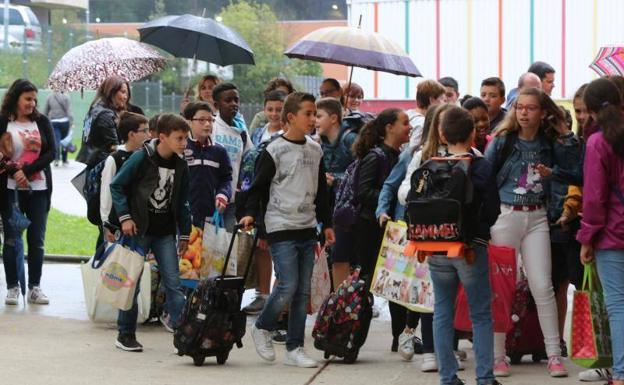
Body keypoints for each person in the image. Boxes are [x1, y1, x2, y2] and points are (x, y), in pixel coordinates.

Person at [484, 87, 580, 378]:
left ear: (543, 111)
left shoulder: (551, 141)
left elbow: (575, 167)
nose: (524, 112)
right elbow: (485, 179)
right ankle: (498, 355)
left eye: (531, 108)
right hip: (506, 216)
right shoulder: (503, 141)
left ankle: (553, 354)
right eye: (520, 107)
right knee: (503, 287)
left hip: (538, 217)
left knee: (542, 285)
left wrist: (563, 131)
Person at [240, 92, 335, 368]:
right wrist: (249, 214)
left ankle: (295, 348)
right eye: (308, 113)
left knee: (302, 292)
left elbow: (322, 194)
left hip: (307, 227)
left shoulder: (316, 150)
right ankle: (262, 325)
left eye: (315, 113)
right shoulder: (273, 150)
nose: (313, 119)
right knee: (288, 284)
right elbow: (256, 188)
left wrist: (326, 224)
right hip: (279, 226)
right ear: (291, 117)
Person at [427, 106, 501, 385]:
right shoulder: (480, 166)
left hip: (437, 247)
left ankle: (448, 377)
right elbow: (493, 208)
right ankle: (484, 377)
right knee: (480, 313)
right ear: (473, 134)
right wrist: (480, 232)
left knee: (442, 310)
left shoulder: (429, 165)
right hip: (470, 248)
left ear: (442, 134)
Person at [110, 113, 191, 351]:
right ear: (162, 137)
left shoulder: (181, 164)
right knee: (130, 283)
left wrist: (185, 233)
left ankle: (181, 335)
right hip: (138, 230)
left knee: (174, 283)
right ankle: (125, 334)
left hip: (165, 233)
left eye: (186, 138)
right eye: (179, 138)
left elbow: (183, 201)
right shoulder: (141, 158)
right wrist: (124, 217)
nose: (184, 143)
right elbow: (117, 185)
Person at [377, 103, 453, 359]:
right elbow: (392, 186)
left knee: (430, 288)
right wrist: (382, 212)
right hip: (412, 227)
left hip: (445, 231)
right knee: (412, 284)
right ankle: (408, 335)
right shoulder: (414, 155)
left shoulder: (465, 154)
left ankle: (427, 341)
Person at [577, 78, 624, 385]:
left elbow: (594, 197)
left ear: (591, 112)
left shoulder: (597, 142)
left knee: (618, 306)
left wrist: (586, 238)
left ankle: (620, 373)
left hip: (612, 233)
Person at [0, 79, 55, 306]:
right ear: (15, 99)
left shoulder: (41, 121)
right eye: (27, 99)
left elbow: (51, 152)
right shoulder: (3, 121)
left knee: (36, 240)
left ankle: (34, 287)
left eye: (34, 99)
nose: (32, 103)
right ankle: (13, 286)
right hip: (10, 190)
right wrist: (15, 172)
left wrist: (27, 170)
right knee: (12, 239)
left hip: (38, 189)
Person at [316, 97, 357, 287]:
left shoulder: (350, 139)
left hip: (350, 209)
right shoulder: (320, 142)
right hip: (330, 206)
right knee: (332, 254)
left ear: (333, 118)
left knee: (345, 256)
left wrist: (336, 179)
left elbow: (362, 171)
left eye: (318, 116)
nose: (314, 120)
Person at [100, 112, 150, 242]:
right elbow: (106, 193)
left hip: (142, 223)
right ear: (131, 135)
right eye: (144, 131)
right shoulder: (114, 159)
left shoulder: (148, 156)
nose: (149, 135)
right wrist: (106, 224)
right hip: (118, 224)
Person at [182, 101, 233, 228]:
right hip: (184, 218)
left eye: (210, 120)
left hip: (211, 219)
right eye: (201, 120)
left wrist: (222, 195)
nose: (207, 124)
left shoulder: (219, 151)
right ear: (188, 122)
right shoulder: (180, 148)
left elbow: (226, 179)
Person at [212, 82, 253, 231]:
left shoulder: (241, 132)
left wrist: (240, 184)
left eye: (236, 100)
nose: (233, 104)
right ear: (216, 105)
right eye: (228, 100)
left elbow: (248, 159)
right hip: (210, 200)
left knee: (227, 249)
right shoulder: (211, 126)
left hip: (231, 200)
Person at [76, 75, 128, 168]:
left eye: (126, 93)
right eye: (123, 92)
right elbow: (114, 146)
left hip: (94, 163)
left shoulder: (94, 109)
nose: (125, 97)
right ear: (112, 92)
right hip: (103, 165)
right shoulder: (105, 115)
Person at [408, 80, 447, 148]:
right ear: (431, 100)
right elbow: (413, 150)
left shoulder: (408, 114)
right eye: (442, 99)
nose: (444, 104)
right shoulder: (422, 123)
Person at [43, 91, 73, 166]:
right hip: (65, 122)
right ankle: (64, 160)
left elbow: (45, 111)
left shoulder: (49, 97)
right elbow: (69, 110)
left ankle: (56, 159)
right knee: (65, 140)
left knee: (56, 140)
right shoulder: (66, 97)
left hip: (54, 122)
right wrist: (71, 121)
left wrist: (43, 122)